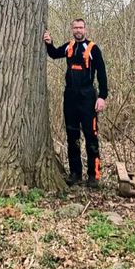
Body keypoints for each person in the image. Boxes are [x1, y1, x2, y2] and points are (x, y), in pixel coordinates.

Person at [43, 18, 108, 189]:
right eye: (75, 27)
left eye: (81, 27)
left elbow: (102, 73)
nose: (78, 30)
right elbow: (55, 54)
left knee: (91, 137)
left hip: (88, 98)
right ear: (72, 29)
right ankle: (75, 174)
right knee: (72, 137)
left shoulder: (93, 48)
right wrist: (49, 43)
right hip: (70, 97)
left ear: (85, 29)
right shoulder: (69, 46)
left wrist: (102, 96)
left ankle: (94, 176)